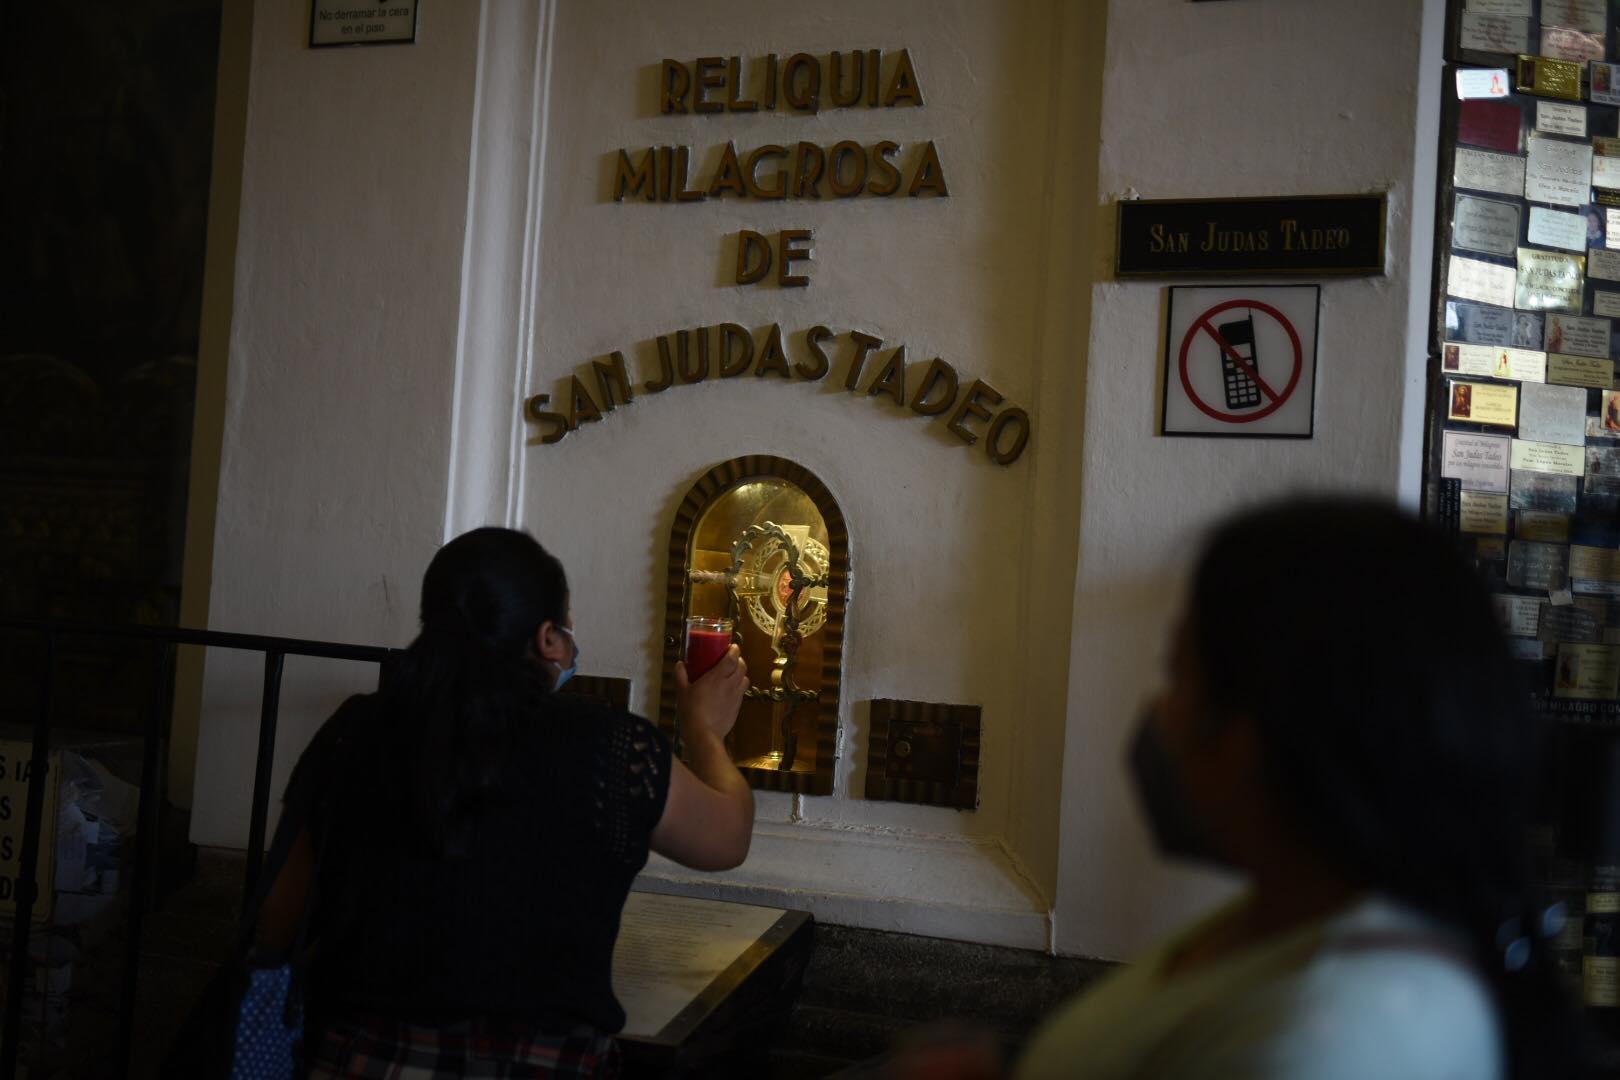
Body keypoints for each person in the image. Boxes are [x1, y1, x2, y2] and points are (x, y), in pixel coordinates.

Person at [1016, 498, 1591, 1080]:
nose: (1158, 713)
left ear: (1258, 731)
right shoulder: (1294, 913)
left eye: (1177, 674)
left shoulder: (1338, 1042)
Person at [255, 526, 754, 1077]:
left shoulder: (357, 730)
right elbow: (726, 837)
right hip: (538, 1065)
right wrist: (705, 732)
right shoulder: (608, 746)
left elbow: (278, 918)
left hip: (362, 1059)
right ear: (547, 638)